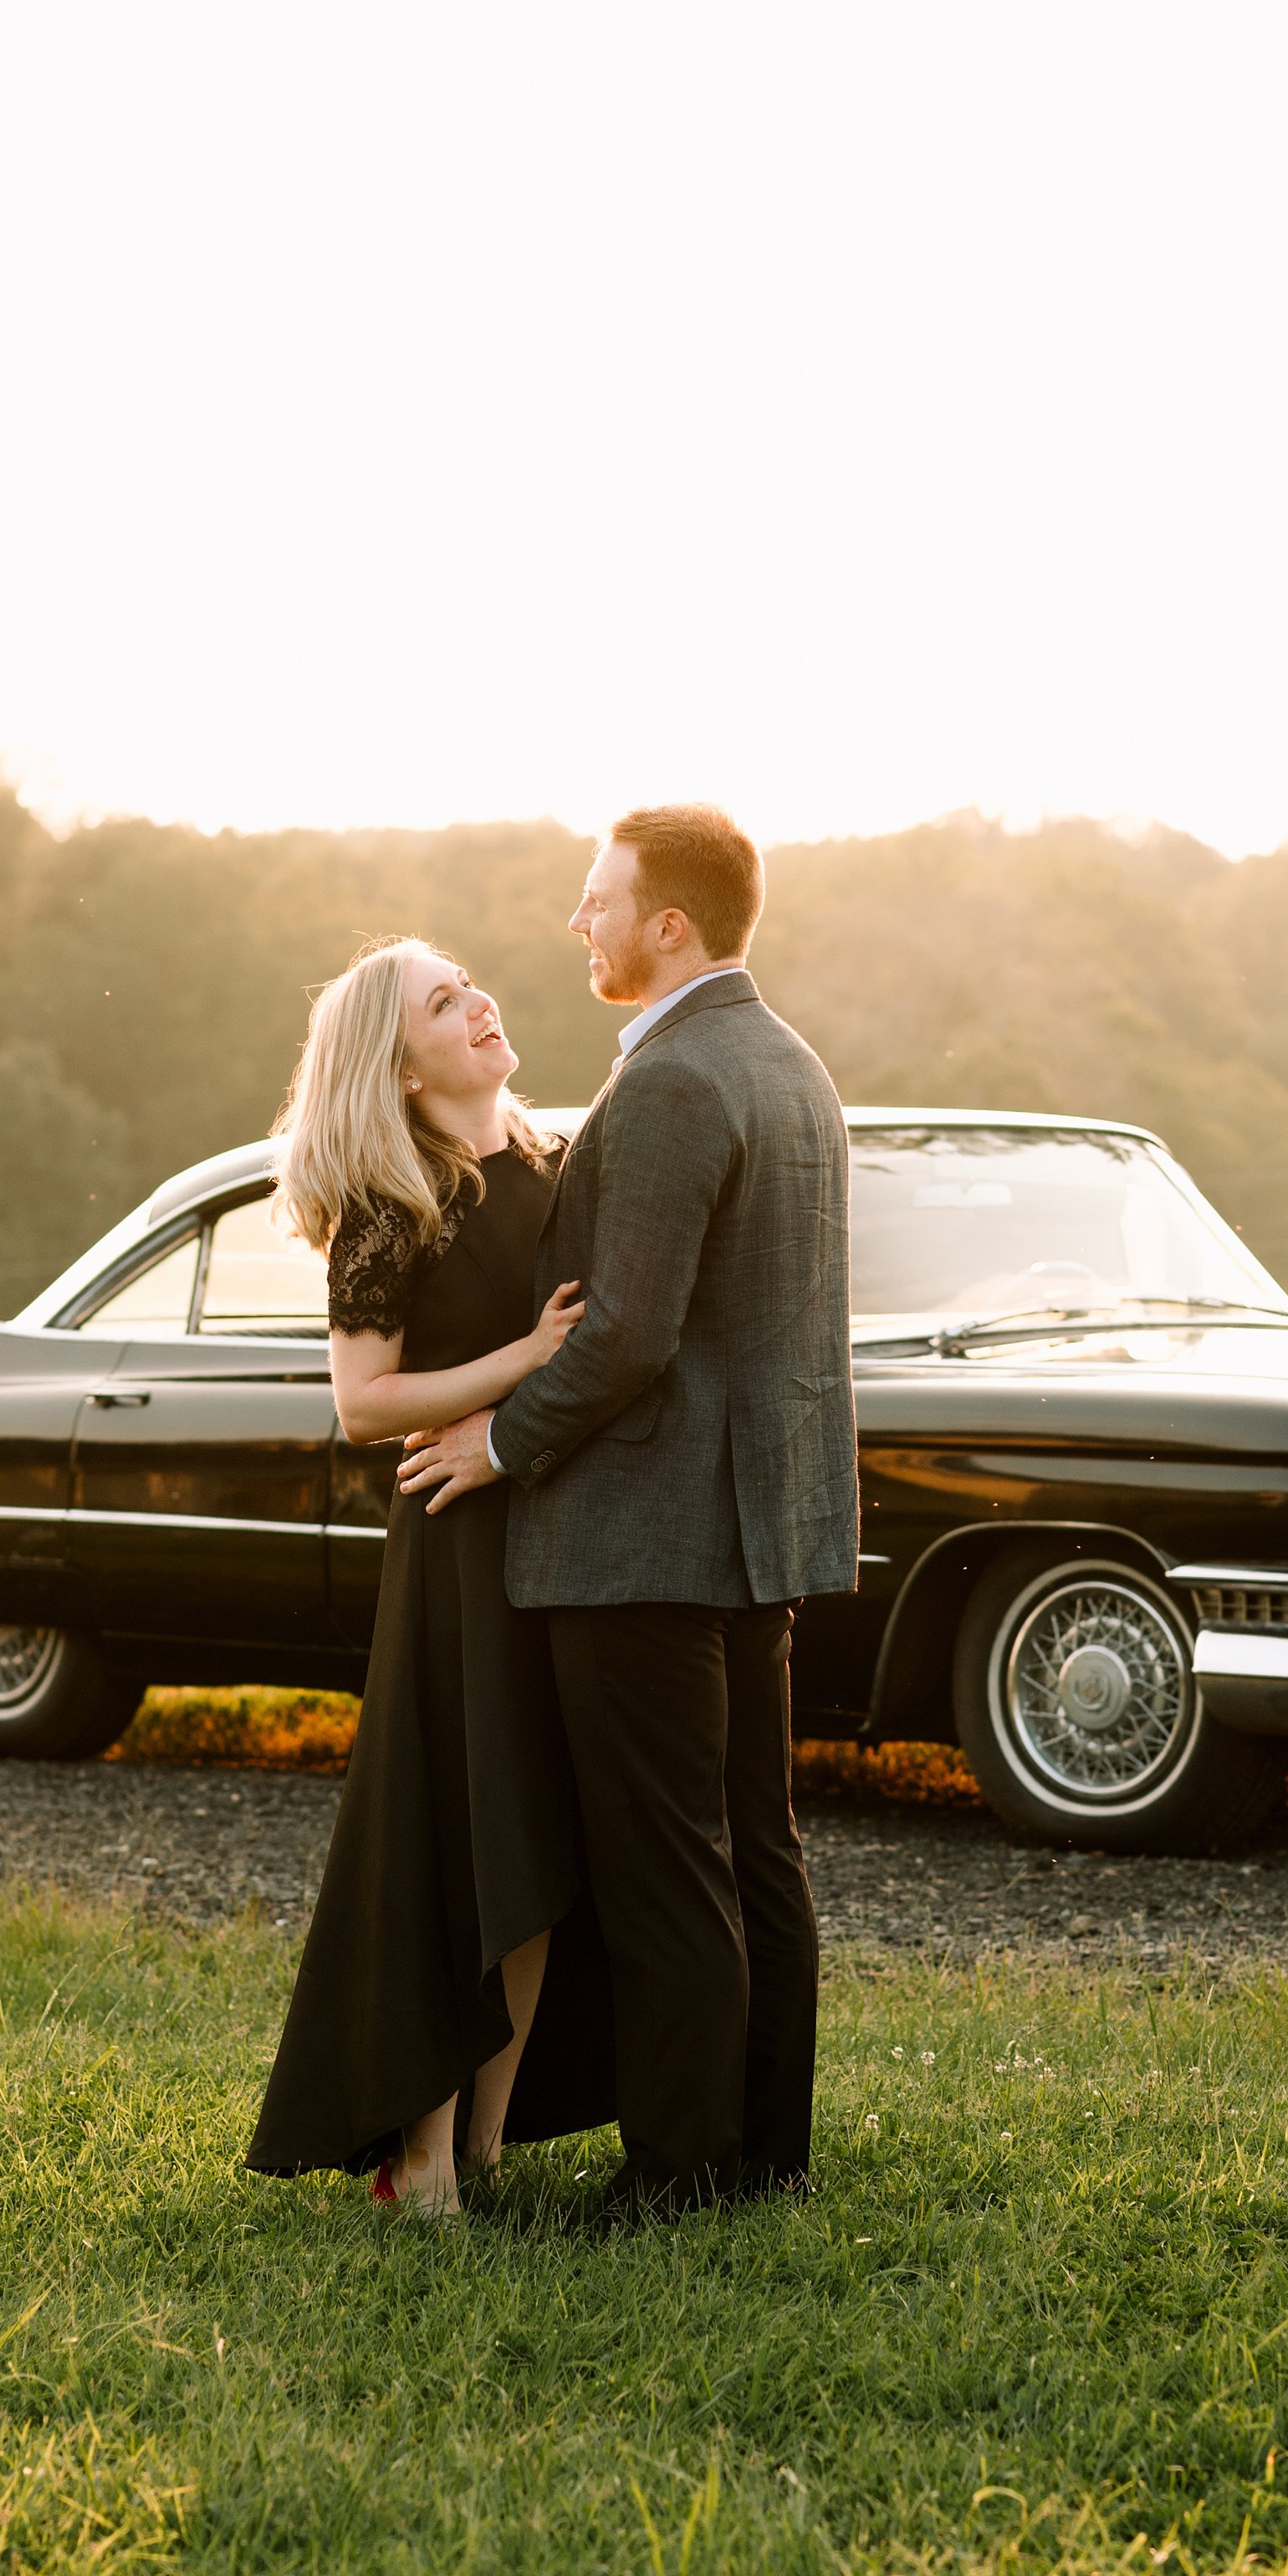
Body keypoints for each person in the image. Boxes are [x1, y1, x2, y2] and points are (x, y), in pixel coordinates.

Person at [397, 804, 858, 2215]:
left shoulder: (668, 1081)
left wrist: (496, 1444)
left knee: (670, 1864)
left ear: (670, 925)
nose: (578, 924)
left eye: (599, 901)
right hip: (755, 1520)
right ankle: (763, 2150)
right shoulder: (792, 1064)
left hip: (648, 1532)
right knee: (751, 1848)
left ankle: (677, 2172)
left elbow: (628, 1333)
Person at [244, 939, 613, 2215]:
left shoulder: (562, 1165)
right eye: (443, 1002)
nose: (479, 1003)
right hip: (456, 1544)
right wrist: (521, 1361)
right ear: (398, 1066)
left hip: (557, 1533)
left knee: (537, 1855)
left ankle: (485, 2149)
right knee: (462, 1845)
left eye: (472, 984)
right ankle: (419, 2156)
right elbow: (363, 1401)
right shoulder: (390, 1205)